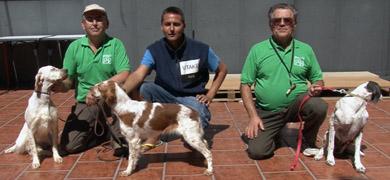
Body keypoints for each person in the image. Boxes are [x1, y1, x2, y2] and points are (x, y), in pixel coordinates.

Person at [121, 6, 227, 151]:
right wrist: (122, 91)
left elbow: (222, 70)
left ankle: (195, 133)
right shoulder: (154, 50)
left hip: (191, 98)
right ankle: (154, 134)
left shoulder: (201, 49)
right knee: (142, 88)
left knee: (193, 137)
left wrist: (210, 95)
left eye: (176, 24)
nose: (171, 29)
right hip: (165, 97)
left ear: (184, 26)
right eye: (167, 24)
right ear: (161, 27)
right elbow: (139, 74)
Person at [240, 3, 328, 160]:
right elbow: (245, 85)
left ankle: (308, 141)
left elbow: (317, 79)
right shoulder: (258, 50)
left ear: (294, 24)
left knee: (319, 105)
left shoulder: (305, 49)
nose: (282, 23)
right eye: (277, 20)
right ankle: (275, 133)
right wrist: (253, 116)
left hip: (296, 105)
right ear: (270, 24)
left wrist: (318, 87)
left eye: (287, 20)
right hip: (268, 111)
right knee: (258, 152)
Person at [52, 4, 130, 156]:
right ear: (83, 25)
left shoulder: (115, 45)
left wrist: (96, 89)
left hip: (111, 99)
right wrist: (61, 86)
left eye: (99, 19)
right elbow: (69, 81)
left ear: (106, 24)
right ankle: (99, 133)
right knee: (69, 146)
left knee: (122, 147)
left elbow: (125, 73)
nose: (94, 23)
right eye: (90, 19)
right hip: (87, 103)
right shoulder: (74, 48)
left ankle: (114, 133)